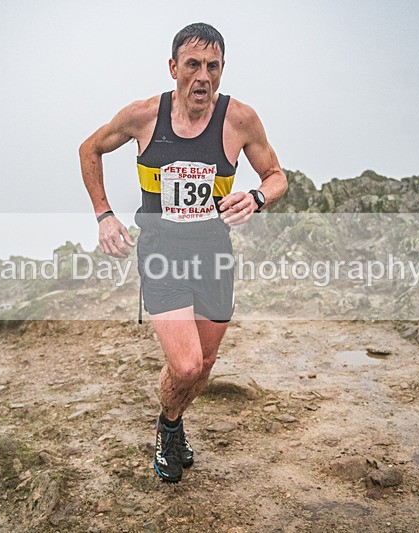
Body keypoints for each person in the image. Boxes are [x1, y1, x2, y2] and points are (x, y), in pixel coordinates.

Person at [79, 23, 287, 483]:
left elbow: (276, 175)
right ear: (173, 68)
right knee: (187, 363)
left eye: (212, 67)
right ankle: (168, 427)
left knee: (205, 367)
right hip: (161, 252)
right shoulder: (143, 116)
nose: (202, 77)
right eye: (192, 65)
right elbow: (88, 148)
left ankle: (172, 420)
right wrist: (104, 215)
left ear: (222, 70)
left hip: (214, 254)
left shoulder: (240, 121)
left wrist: (256, 198)